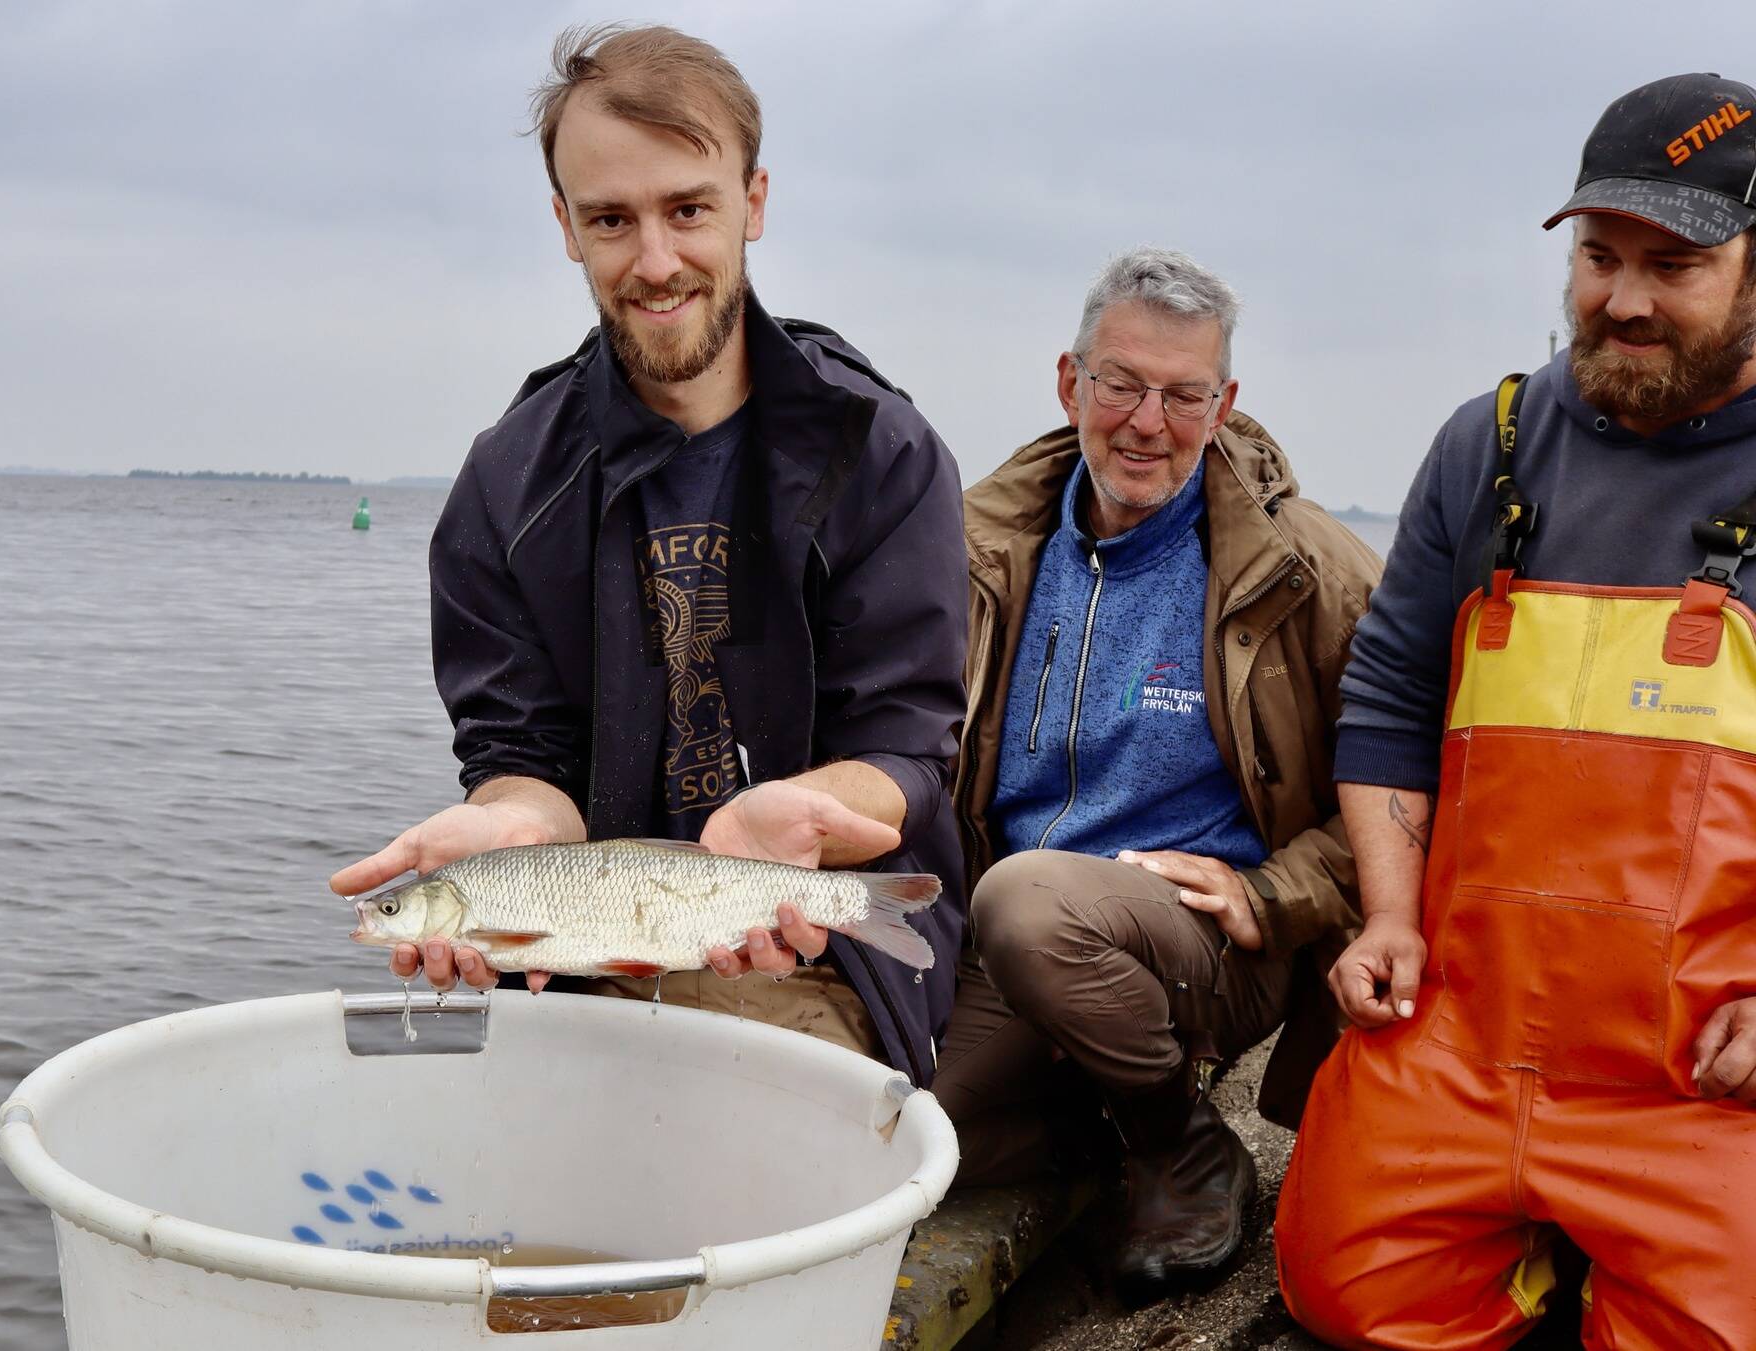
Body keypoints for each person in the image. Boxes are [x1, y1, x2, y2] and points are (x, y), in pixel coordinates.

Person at [329, 23, 968, 1085]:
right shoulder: (506, 485)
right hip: (583, 949)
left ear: (752, 202)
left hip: (823, 949)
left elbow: (907, 752)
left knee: (699, 1089)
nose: (656, 260)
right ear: (564, 227)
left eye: (688, 209)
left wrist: (814, 821)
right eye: (612, 220)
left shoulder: (880, 453)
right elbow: (520, 757)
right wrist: (506, 830)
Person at [1277, 72, 1756, 1349]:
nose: (1625, 299)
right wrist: (1386, 916)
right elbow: (1384, 693)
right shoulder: (1486, 442)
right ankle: (1548, 1243)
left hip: (1698, 1068)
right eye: (1599, 256)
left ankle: (1614, 1258)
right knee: (1338, 1286)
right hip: (1467, 1030)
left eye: (1677, 263)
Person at [930, 247, 1381, 1295]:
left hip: (1211, 938)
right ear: (1068, 381)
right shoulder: (977, 543)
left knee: (1032, 901)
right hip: (1002, 932)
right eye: (1120, 384)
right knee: (902, 1139)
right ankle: (1102, 1126)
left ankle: (1180, 1140)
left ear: (1222, 402)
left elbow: (1412, 789)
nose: (1145, 421)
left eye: (1181, 395)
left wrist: (1274, 892)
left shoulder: (1312, 573)